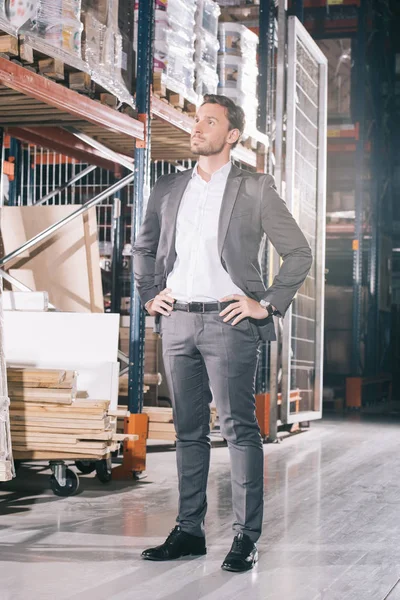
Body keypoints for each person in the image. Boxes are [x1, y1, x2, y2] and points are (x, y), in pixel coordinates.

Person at [133, 94, 312, 572]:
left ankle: (244, 537)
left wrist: (266, 304)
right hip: (177, 323)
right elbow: (144, 247)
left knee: (238, 431)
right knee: (188, 433)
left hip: (230, 324)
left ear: (231, 135)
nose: (198, 127)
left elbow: (298, 252)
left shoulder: (253, 189)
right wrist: (152, 294)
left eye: (209, 122)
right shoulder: (169, 188)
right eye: (196, 120)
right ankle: (189, 530)